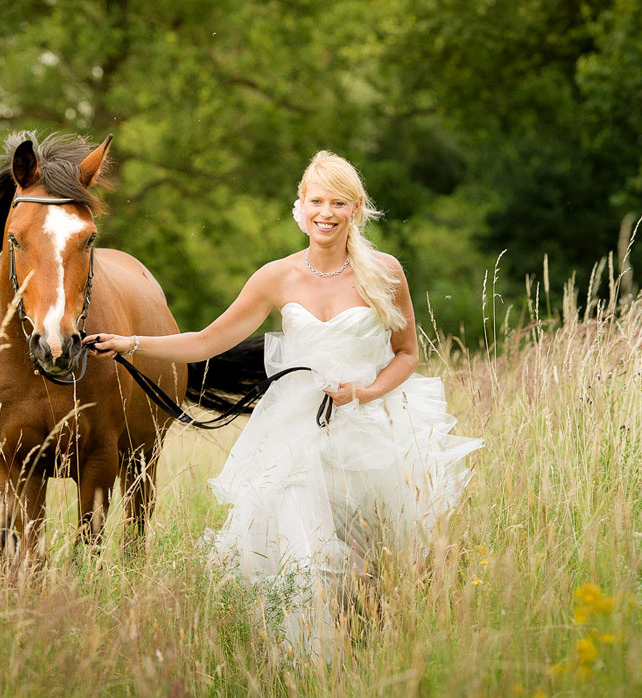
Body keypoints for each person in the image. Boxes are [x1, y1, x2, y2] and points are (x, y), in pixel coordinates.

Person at [86, 151, 482, 656]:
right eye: (316, 200)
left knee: (372, 570)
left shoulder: (386, 272)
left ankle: (371, 661)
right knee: (307, 560)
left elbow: (407, 355)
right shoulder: (276, 276)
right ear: (300, 206)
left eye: (338, 202)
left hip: (371, 436)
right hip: (295, 439)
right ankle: (307, 668)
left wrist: (363, 392)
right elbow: (207, 341)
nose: (326, 212)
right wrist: (131, 343)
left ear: (355, 210)